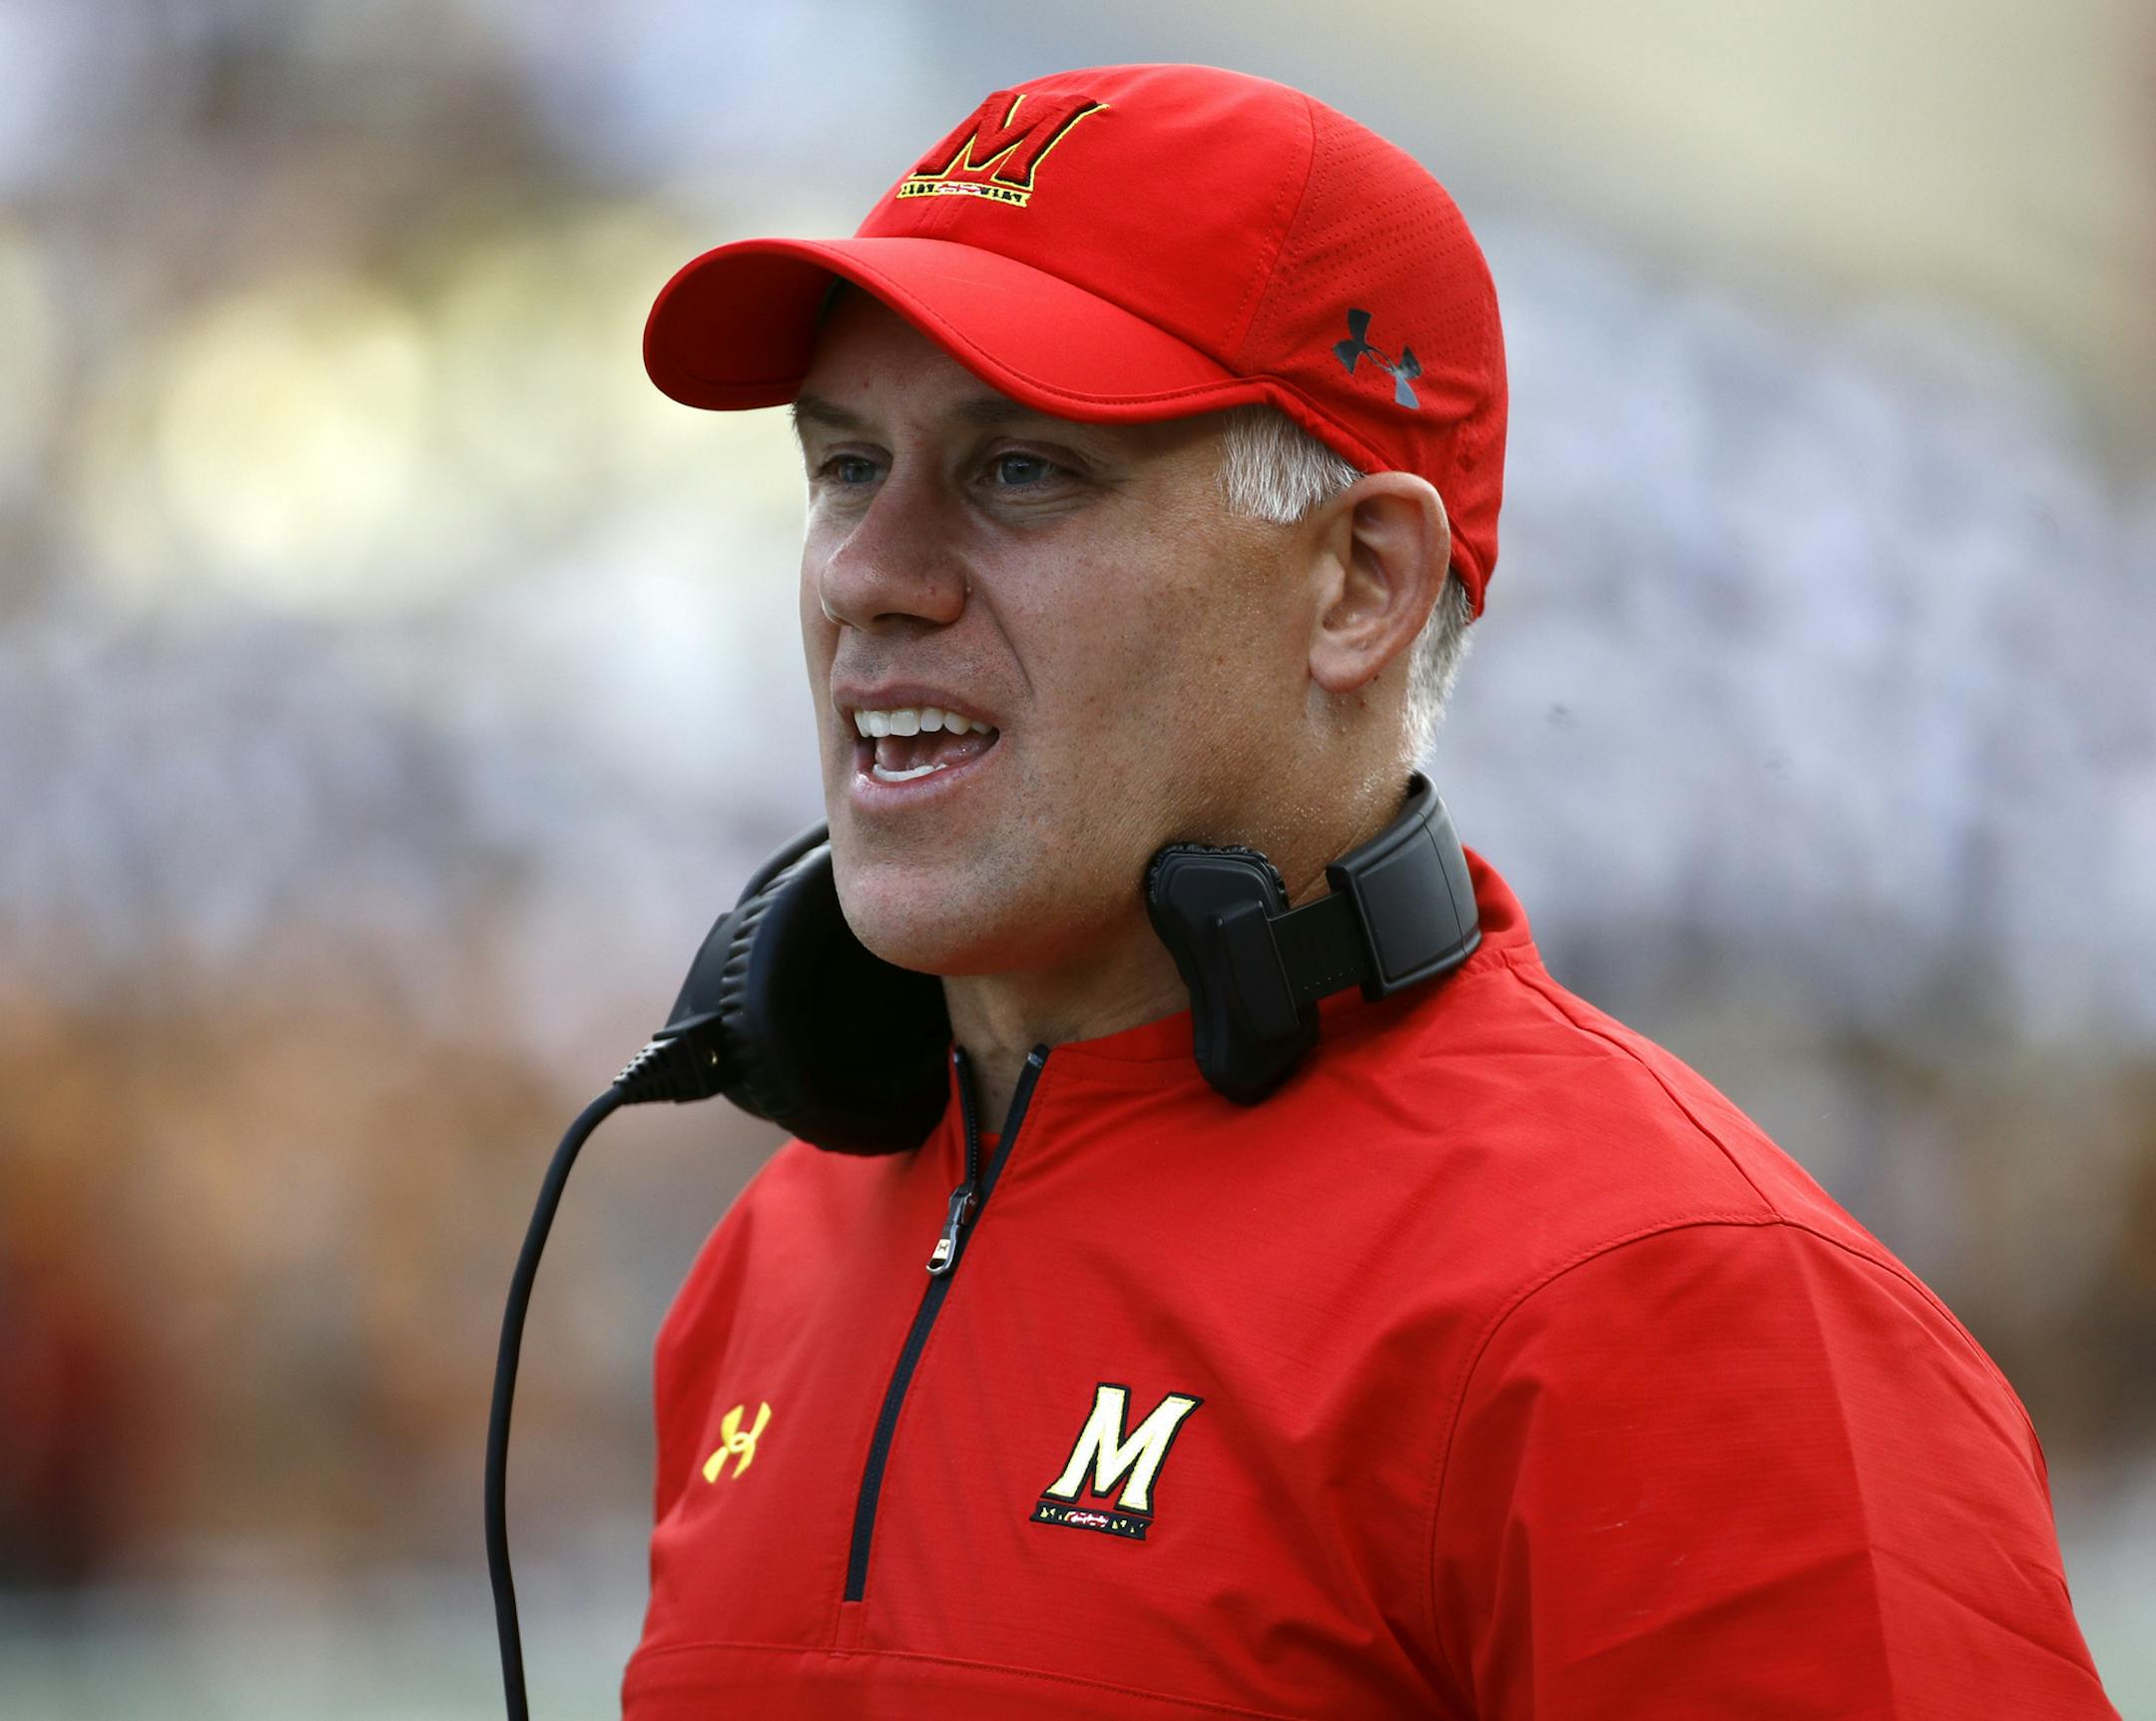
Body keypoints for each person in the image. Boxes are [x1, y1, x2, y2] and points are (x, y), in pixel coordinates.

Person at [623, 63, 2118, 1719]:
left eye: (1020, 471)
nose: (864, 576)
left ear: (1362, 583)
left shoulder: (1677, 1310)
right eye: (843, 468)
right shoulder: (774, 1258)